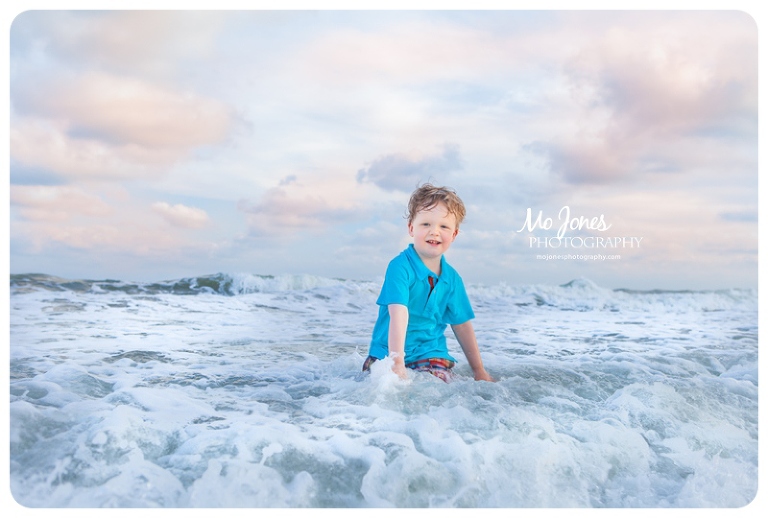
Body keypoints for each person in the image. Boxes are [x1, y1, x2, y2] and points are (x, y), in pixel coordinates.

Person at [362, 183, 494, 382]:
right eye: (426, 224)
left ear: (454, 234)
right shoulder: (400, 267)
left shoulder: (452, 278)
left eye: (444, 226)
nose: (434, 232)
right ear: (411, 228)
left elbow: (462, 325)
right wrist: (396, 362)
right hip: (387, 352)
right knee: (380, 387)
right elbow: (398, 312)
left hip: (430, 352)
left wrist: (479, 371)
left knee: (439, 386)